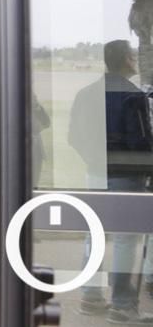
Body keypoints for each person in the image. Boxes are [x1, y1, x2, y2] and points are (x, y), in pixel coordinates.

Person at [70, 40, 153, 324]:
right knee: (125, 240)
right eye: (133, 55)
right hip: (126, 176)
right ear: (126, 60)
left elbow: (73, 136)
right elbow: (140, 142)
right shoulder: (133, 96)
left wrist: (94, 159)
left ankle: (90, 297)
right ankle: (121, 305)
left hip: (95, 172)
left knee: (94, 233)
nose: (136, 59)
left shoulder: (85, 93)